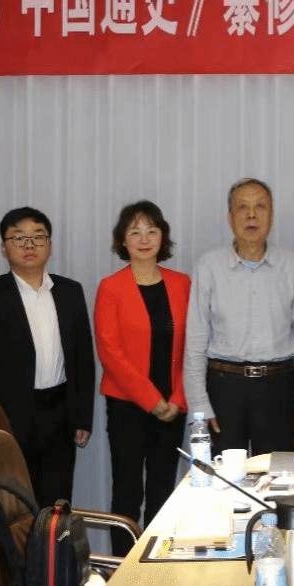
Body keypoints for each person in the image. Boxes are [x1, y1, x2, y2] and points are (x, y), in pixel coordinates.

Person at [0, 207, 95, 507]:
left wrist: (82, 417)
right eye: (19, 238)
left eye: (38, 237)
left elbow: (83, 360)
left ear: (50, 245)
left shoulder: (69, 291)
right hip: (9, 416)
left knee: (56, 503)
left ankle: (53, 542)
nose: (29, 245)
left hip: (59, 413)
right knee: (13, 504)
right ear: (4, 248)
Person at [183, 178, 294, 454]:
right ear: (230, 217)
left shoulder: (293, 267)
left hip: (278, 388)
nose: (252, 215)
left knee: (277, 475)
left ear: (272, 215)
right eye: (242, 207)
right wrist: (199, 405)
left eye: (260, 207)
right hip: (223, 389)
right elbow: (195, 342)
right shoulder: (208, 267)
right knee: (223, 476)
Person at [94, 200, 190, 554]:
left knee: (164, 489)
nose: (144, 239)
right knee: (127, 491)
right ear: (123, 240)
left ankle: (157, 562)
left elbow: (194, 345)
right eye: (135, 232)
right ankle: (123, 566)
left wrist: (176, 399)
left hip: (173, 405)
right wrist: (152, 401)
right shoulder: (111, 287)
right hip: (127, 406)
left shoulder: (182, 284)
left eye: (152, 230)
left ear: (163, 236)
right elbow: (110, 352)